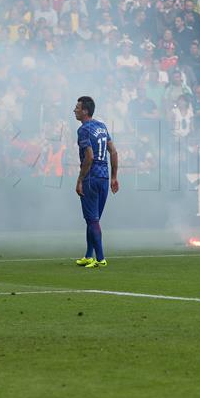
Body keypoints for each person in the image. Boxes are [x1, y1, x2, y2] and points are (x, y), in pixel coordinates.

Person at [73, 96, 119, 269]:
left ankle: (100, 258)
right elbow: (113, 152)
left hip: (91, 178)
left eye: (77, 107)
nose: (74, 110)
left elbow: (89, 156)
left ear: (85, 111)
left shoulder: (83, 130)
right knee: (93, 219)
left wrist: (80, 179)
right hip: (104, 177)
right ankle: (88, 256)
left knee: (92, 220)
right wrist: (114, 177)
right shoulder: (102, 126)